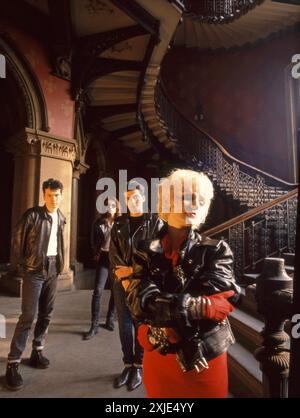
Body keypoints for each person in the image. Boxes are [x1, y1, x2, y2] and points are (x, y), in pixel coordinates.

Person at [123, 169, 241, 398]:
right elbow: (138, 300)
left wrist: (162, 318)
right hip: (160, 356)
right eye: (188, 196)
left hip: (203, 357)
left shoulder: (217, 249)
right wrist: (193, 307)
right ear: (167, 201)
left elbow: (221, 303)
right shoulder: (145, 249)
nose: (196, 203)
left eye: (202, 199)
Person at [5, 178, 66, 391]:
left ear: (61, 195)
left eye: (57, 195)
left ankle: (37, 350)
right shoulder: (32, 215)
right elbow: (16, 241)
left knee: (47, 313)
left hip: (52, 270)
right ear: (44, 195)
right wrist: (23, 266)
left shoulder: (60, 216)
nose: (53, 199)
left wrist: (58, 266)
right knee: (28, 316)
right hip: (34, 271)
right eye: (49, 195)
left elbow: (58, 244)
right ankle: (12, 363)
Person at [109, 181, 163, 391]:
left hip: (143, 283)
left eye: (137, 198)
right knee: (124, 325)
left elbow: (156, 256)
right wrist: (122, 279)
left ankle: (139, 366)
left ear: (144, 198)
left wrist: (132, 272)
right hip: (121, 284)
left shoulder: (155, 222)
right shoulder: (119, 224)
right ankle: (128, 364)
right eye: (129, 198)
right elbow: (113, 255)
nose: (133, 201)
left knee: (141, 324)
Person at [83, 197, 119, 340]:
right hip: (104, 257)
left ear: (117, 208)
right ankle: (94, 325)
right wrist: (96, 252)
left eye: (113, 205)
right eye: (108, 205)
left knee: (115, 291)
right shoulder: (99, 222)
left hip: (116, 259)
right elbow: (93, 239)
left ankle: (110, 319)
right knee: (98, 291)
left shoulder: (121, 223)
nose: (110, 207)